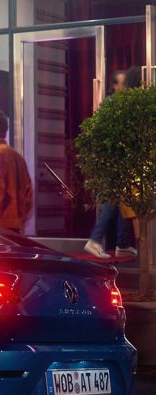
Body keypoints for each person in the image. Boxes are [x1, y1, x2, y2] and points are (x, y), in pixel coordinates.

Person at [83, 68, 139, 259]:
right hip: (115, 160)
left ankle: (122, 244)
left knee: (122, 200)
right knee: (113, 200)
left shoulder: (117, 103)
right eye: (123, 83)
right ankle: (95, 240)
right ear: (115, 85)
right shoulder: (115, 104)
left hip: (118, 160)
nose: (127, 87)